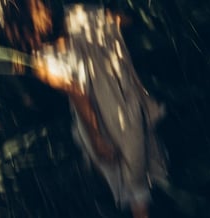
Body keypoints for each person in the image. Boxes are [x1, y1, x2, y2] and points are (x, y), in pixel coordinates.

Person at [34, 3, 169, 218]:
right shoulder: (49, 55)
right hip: (113, 107)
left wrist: (109, 23)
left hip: (119, 98)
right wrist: (96, 136)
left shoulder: (70, 26)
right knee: (130, 169)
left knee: (132, 167)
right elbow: (77, 91)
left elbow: (124, 20)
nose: (42, 15)